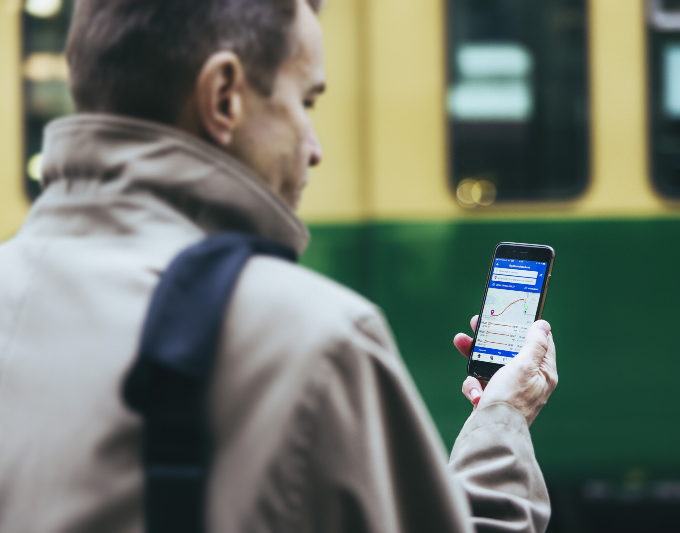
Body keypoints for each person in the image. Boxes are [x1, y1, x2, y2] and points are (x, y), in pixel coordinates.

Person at [0, 0, 558, 531]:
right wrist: (503, 417)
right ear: (224, 97)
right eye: (306, 101)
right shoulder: (317, 343)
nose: (314, 147)